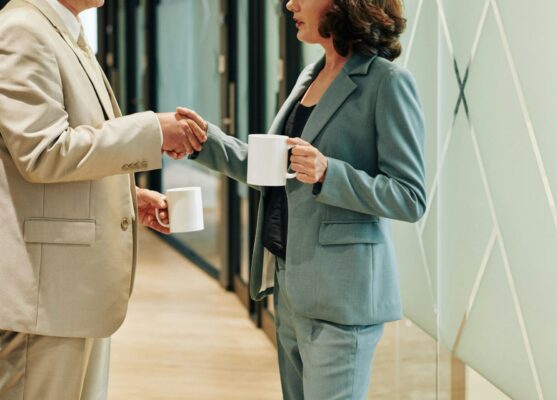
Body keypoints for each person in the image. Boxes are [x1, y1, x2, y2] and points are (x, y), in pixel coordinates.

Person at [180, 0, 425, 398]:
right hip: (291, 288)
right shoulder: (309, 76)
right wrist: (205, 140)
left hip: (343, 302)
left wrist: (331, 173)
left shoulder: (387, 83)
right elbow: (273, 171)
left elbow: (410, 197)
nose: (289, 4)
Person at [0, 0, 206, 399]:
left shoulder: (62, 30)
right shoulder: (22, 29)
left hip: (69, 291)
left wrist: (126, 197)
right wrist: (152, 131)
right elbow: (44, 152)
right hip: (47, 296)